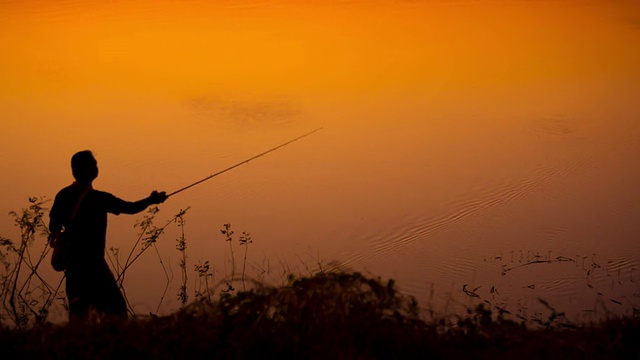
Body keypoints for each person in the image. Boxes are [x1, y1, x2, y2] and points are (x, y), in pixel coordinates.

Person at [48, 150, 168, 321]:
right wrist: (151, 200)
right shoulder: (99, 199)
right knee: (117, 312)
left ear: (74, 171)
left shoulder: (63, 195)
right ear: (92, 171)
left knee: (78, 317)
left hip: (73, 268)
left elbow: (54, 225)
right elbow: (130, 208)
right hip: (95, 266)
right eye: (95, 164)